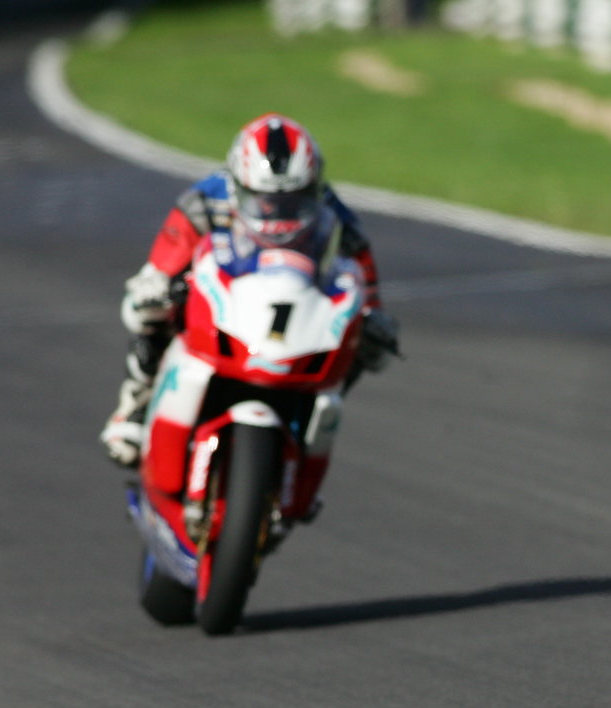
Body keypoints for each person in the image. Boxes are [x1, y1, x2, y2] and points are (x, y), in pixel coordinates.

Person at [100, 112, 400, 467]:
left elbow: (364, 271)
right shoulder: (202, 202)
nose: (277, 210)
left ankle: (309, 432)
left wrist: (372, 315)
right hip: (222, 301)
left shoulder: (332, 210)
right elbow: (162, 263)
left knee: (366, 343)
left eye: (294, 199)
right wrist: (156, 286)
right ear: (238, 184)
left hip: (294, 308)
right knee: (151, 313)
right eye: (264, 198)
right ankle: (135, 407)